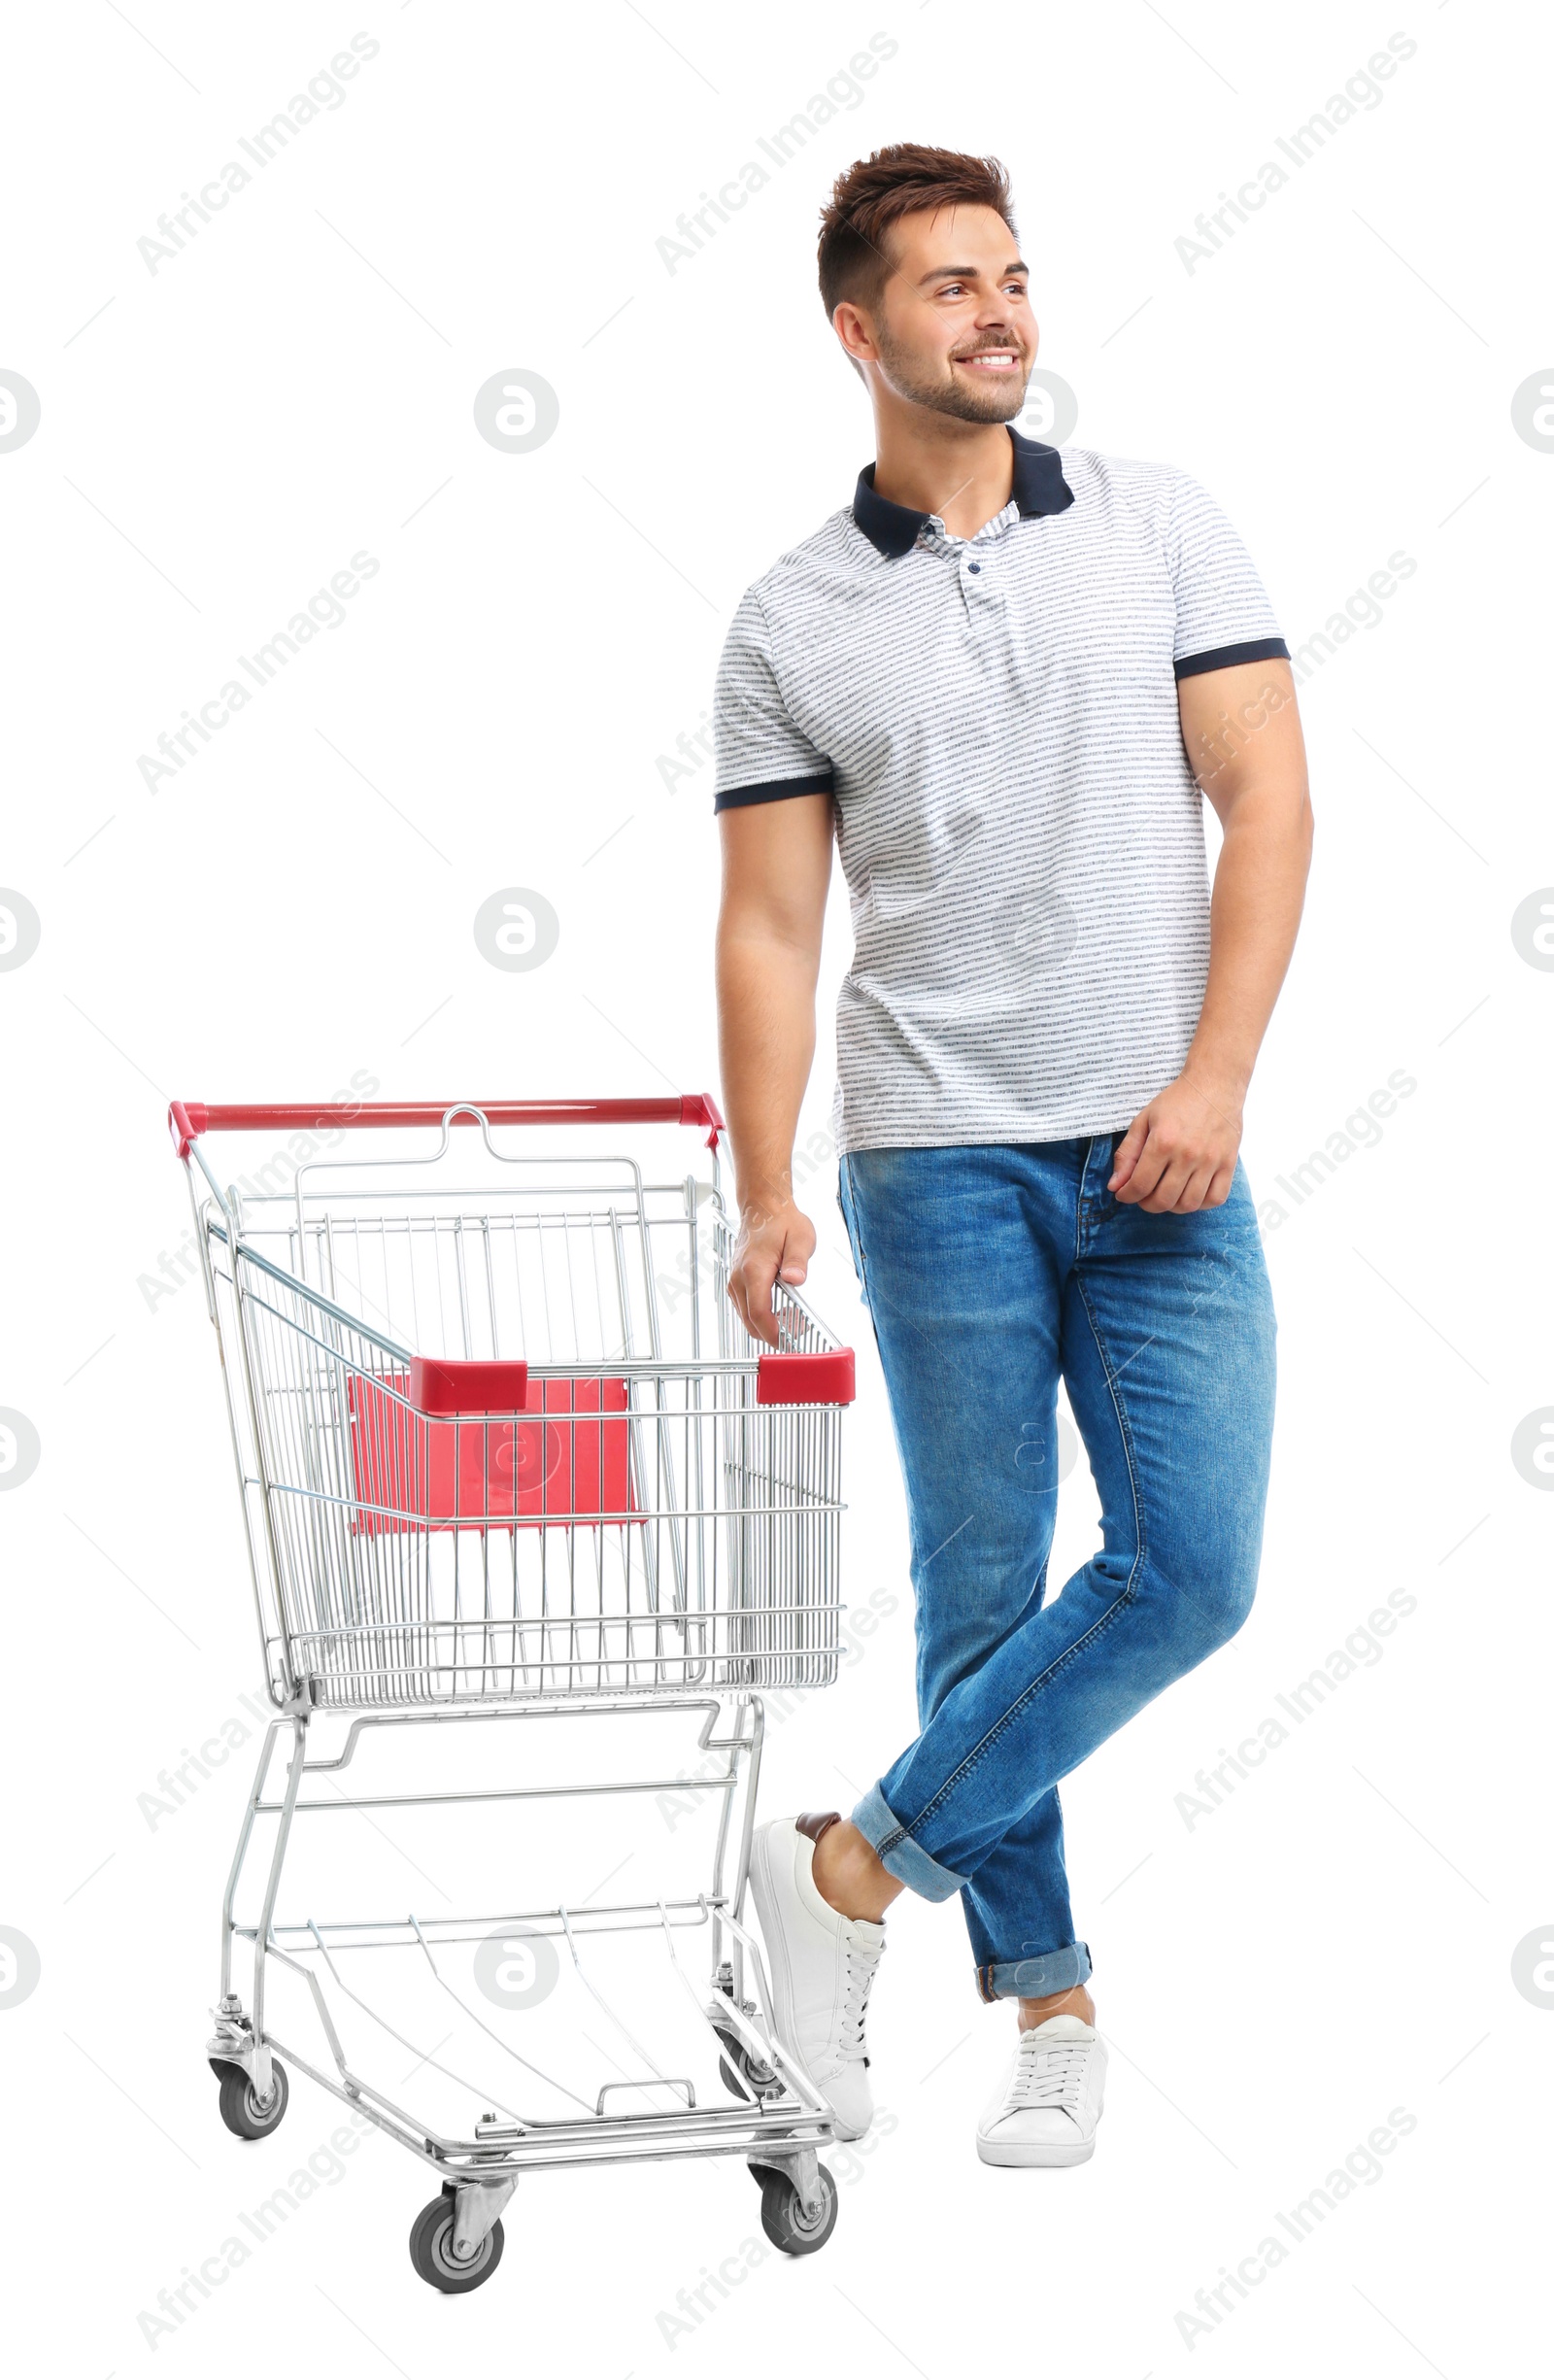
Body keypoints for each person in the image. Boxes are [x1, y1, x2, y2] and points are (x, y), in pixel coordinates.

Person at [713, 144, 1311, 2168]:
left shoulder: (1160, 527)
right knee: (982, 1587)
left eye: (1012, 277)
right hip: (933, 1154)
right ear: (855, 331)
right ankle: (1046, 2003)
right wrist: (762, 1179)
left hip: (1163, 1145)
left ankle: (841, 1875)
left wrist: (1216, 1074)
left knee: (1185, 1574)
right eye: (948, 286)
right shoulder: (789, 617)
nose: (995, 313)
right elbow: (773, 924)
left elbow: (1270, 805)